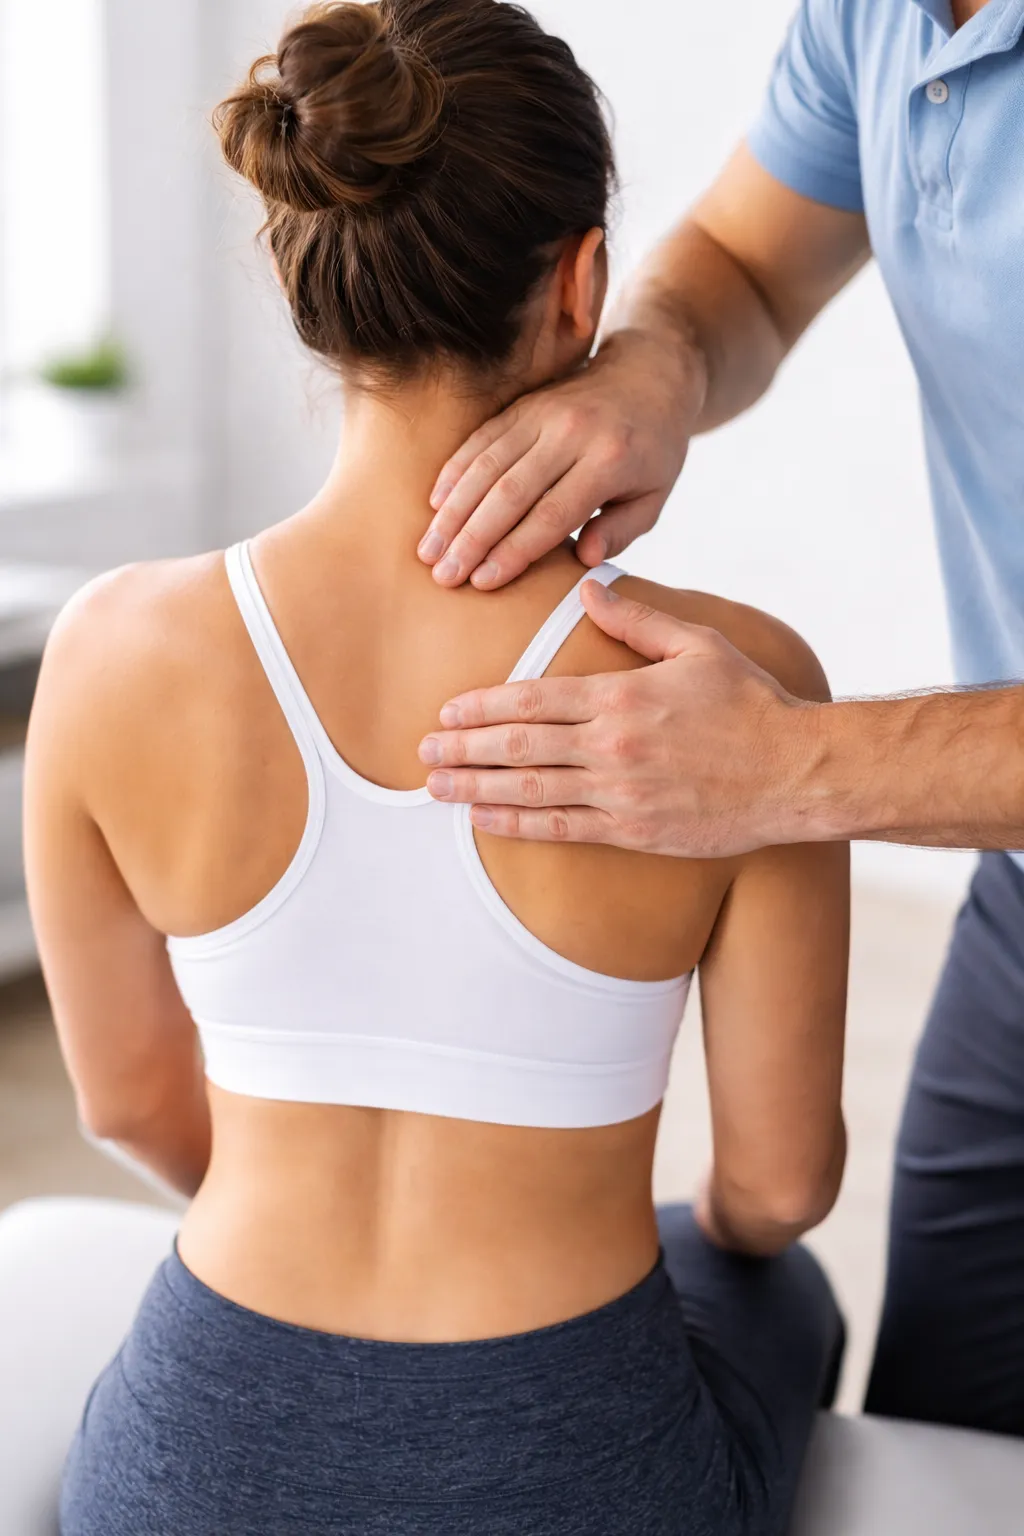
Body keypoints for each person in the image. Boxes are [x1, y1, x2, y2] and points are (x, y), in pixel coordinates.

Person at [25, 4, 847, 1533]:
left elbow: (130, 1103)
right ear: (582, 283)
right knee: (775, 1286)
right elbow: (778, 1189)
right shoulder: (739, 687)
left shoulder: (106, 650)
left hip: (195, 1455)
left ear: (305, 280)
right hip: (573, 1465)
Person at [416, 0, 1024, 1437]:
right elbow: (746, 265)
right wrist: (657, 360)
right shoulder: (875, 19)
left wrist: (796, 765)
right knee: (949, 1430)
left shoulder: (119, 642)